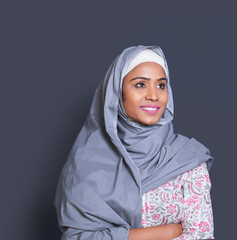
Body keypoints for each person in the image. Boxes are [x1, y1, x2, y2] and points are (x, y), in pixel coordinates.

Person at [54, 45, 215, 240]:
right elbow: (76, 237)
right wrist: (166, 232)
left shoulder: (186, 159)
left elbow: (201, 235)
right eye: (140, 84)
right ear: (117, 91)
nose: (153, 95)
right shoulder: (85, 163)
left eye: (161, 85)